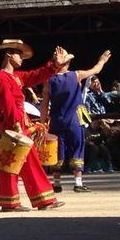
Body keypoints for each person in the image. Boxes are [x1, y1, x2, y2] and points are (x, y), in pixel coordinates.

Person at [0, 38, 69, 211]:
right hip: (15, 125)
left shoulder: (14, 77)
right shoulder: (2, 78)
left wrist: (54, 64)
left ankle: (10, 201)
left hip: (17, 124)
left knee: (11, 162)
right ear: (9, 55)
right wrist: (16, 125)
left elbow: (35, 75)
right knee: (20, 161)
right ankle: (43, 200)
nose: (22, 59)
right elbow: (8, 105)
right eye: (19, 55)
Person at [43, 49, 110, 192]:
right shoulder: (76, 75)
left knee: (57, 150)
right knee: (77, 147)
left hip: (56, 119)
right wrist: (102, 60)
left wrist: (43, 123)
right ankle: (78, 183)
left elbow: (44, 104)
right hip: (74, 119)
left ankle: (56, 183)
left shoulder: (48, 81)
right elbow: (95, 70)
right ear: (66, 62)